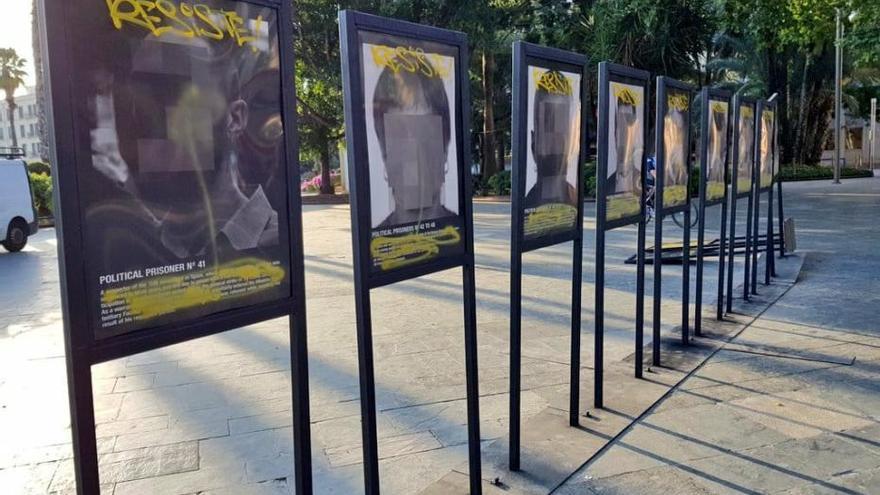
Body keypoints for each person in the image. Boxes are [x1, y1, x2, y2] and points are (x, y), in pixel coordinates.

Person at [372, 53, 455, 228]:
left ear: (445, 147)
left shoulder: (458, 233)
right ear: (384, 153)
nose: (413, 151)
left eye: (424, 131)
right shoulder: (375, 247)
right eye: (399, 132)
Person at [523, 70, 577, 210]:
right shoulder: (525, 208)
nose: (556, 135)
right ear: (534, 141)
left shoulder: (575, 200)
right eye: (548, 122)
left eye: (562, 122)